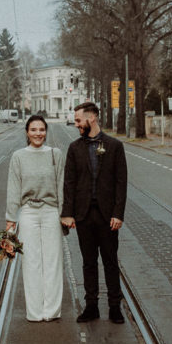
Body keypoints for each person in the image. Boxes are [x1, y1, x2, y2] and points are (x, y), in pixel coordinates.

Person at [61, 101, 127, 324]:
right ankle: (91, 306)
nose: (76, 124)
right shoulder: (74, 148)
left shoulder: (115, 146)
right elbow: (69, 183)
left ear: (93, 118)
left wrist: (118, 214)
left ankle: (115, 307)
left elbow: (121, 183)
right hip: (83, 216)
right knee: (88, 262)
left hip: (108, 216)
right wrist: (67, 213)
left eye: (79, 120)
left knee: (110, 261)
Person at [5, 115, 67, 322]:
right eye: (33, 130)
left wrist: (63, 214)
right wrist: (10, 218)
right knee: (31, 262)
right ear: (27, 132)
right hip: (28, 212)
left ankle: (52, 310)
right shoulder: (18, 157)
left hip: (51, 211)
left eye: (41, 129)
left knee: (53, 261)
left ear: (46, 132)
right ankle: (34, 311)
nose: (38, 133)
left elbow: (61, 185)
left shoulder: (55, 154)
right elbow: (13, 188)